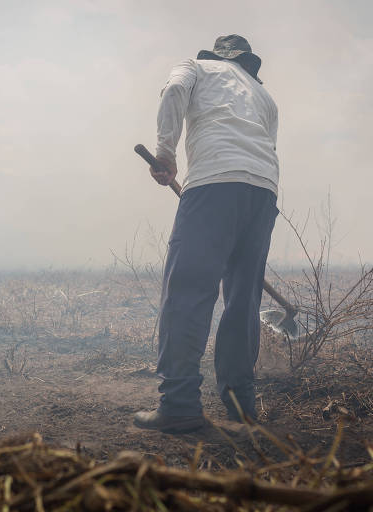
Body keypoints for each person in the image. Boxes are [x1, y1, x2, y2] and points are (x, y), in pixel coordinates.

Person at [134, 35, 279, 432]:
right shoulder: (264, 97)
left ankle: (179, 406)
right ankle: (241, 406)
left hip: (214, 185)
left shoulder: (195, 67)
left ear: (216, 55)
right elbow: (264, 147)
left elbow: (174, 90)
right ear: (247, 63)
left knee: (188, 291)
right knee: (242, 300)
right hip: (263, 193)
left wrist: (165, 154)